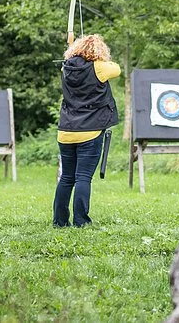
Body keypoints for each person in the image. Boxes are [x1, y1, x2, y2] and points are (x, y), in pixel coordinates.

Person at [53, 34, 120, 227]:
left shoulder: (65, 67)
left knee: (66, 177)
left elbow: (72, 62)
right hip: (89, 132)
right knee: (83, 177)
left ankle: (59, 221)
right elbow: (117, 68)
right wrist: (100, 59)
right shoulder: (99, 68)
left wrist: (72, 49)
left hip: (66, 131)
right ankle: (81, 221)